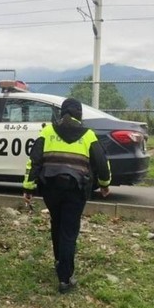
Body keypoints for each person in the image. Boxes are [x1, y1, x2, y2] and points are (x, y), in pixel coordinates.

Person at [23, 98, 111, 294]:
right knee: (69, 231)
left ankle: (58, 260)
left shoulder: (47, 132)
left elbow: (34, 161)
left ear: (62, 113)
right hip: (76, 190)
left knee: (57, 222)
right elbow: (102, 163)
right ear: (79, 115)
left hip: (50, 189)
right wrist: (104, 185)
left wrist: (28, 188)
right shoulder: (88, 135)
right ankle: (65, 277)